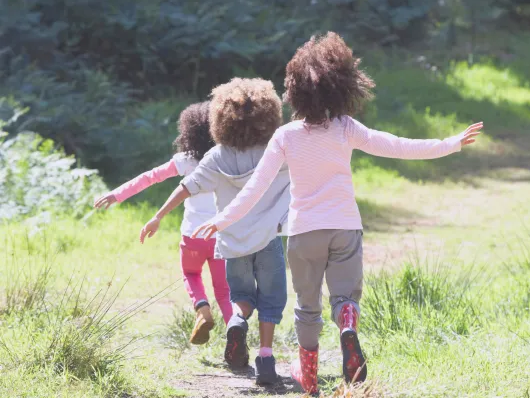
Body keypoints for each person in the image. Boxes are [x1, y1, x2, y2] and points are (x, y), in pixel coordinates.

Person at [192, 32, 482, 394]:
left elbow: (255, 188)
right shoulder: (346, 129)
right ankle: (347, 323)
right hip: (345, 227)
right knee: (345, 297)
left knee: (307, 308)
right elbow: (397, 146)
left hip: (303, 233)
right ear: (342, 87)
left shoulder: (285, 136)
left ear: (294, 90)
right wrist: (450, 144)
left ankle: (309, 376)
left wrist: (222, 219)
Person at [138, 78, 290, 385]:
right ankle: (265, 359)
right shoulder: (274, 152)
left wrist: (157, 216)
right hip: (268, 240)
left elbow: (186, 187)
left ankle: (236, 321)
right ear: (268, 115)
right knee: (271, 301)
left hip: (232, 244)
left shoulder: (217, 156)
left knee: (242, 297)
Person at [94, 102, 233, 345]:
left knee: (190, 273)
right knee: (224, 291)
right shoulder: (226, 158)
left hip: (193, 236)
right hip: (221, 236)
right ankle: (236, 336)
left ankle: (202, 309)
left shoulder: (187, 160)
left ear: (189, 132)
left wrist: (118, 194)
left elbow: (150, 177)